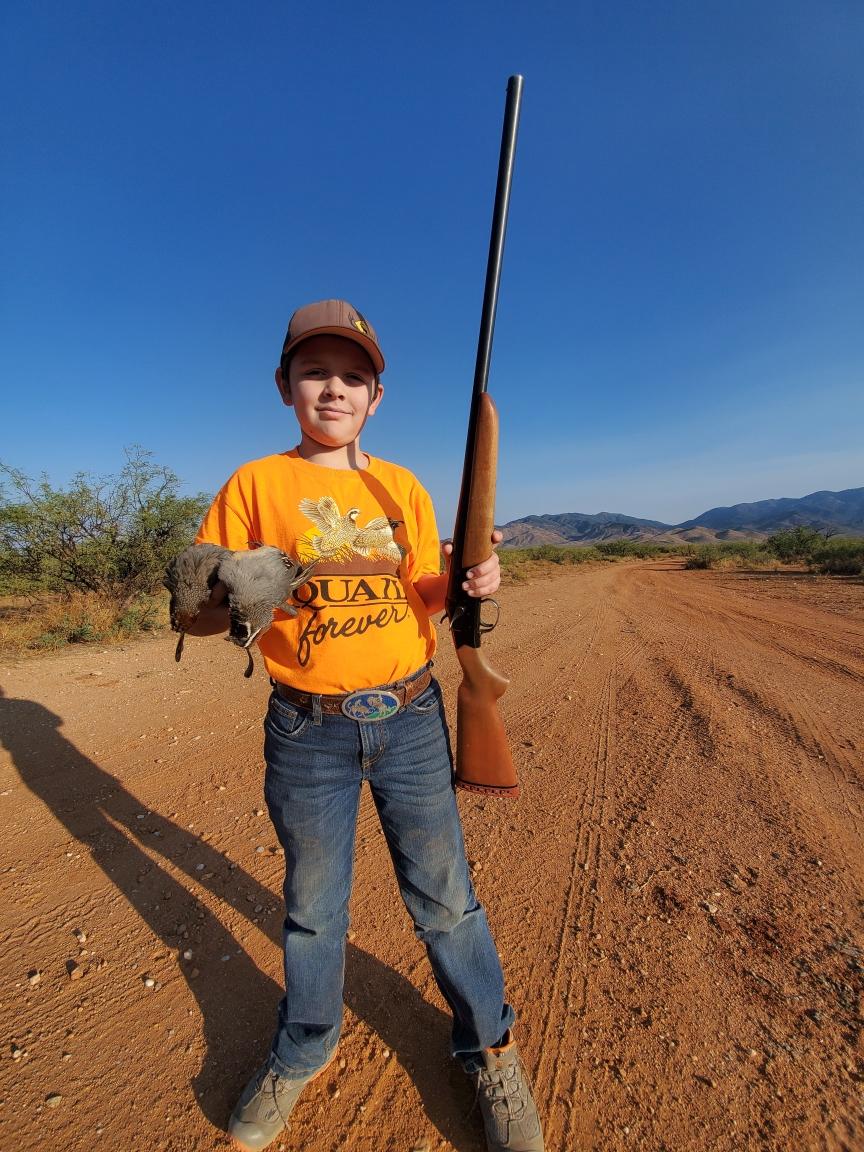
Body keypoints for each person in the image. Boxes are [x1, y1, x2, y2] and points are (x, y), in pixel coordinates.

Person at [186, 300, 544, 1152]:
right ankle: (303, 1047)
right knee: (313, 907)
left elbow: (429, 588)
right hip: (307, 729)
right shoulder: (253, 485)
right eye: (315, 372)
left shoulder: (403, 488)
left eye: (353, 376)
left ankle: (490, 1049)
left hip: (412, 716)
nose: (334, 389)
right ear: (285, 386)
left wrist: (471, 577)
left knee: (446, 900)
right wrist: (213, 592)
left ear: (376, 396)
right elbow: (202, 613)